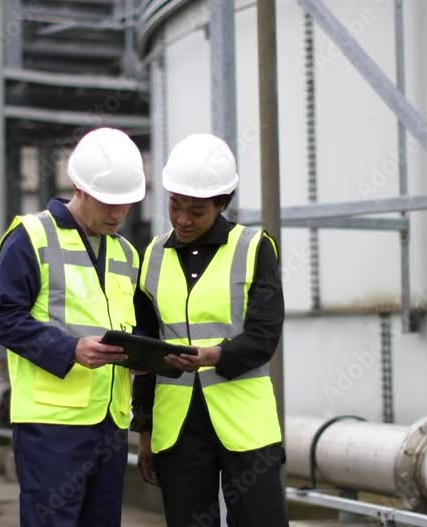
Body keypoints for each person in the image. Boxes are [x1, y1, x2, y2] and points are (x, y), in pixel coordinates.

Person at [0, 127, 146, 527]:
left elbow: (131, 324)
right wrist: (69, 350)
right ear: (79, 187)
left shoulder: (125, 252)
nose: (117, 214)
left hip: (110, 422)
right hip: (52, 427)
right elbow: (0, 317)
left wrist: (142, 357)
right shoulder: (31, 237)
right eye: (108, 203)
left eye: (125, 204)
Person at [131, 133, 288, 526]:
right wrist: (145, 428)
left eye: (196, 211)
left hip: (244, 423)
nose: (182, 219)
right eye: (175, 205)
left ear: (222, 204)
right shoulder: (151, 256)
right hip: (178, 429)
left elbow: (264, 337)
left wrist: (213, 356)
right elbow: (146, 352)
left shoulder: (254, 248)